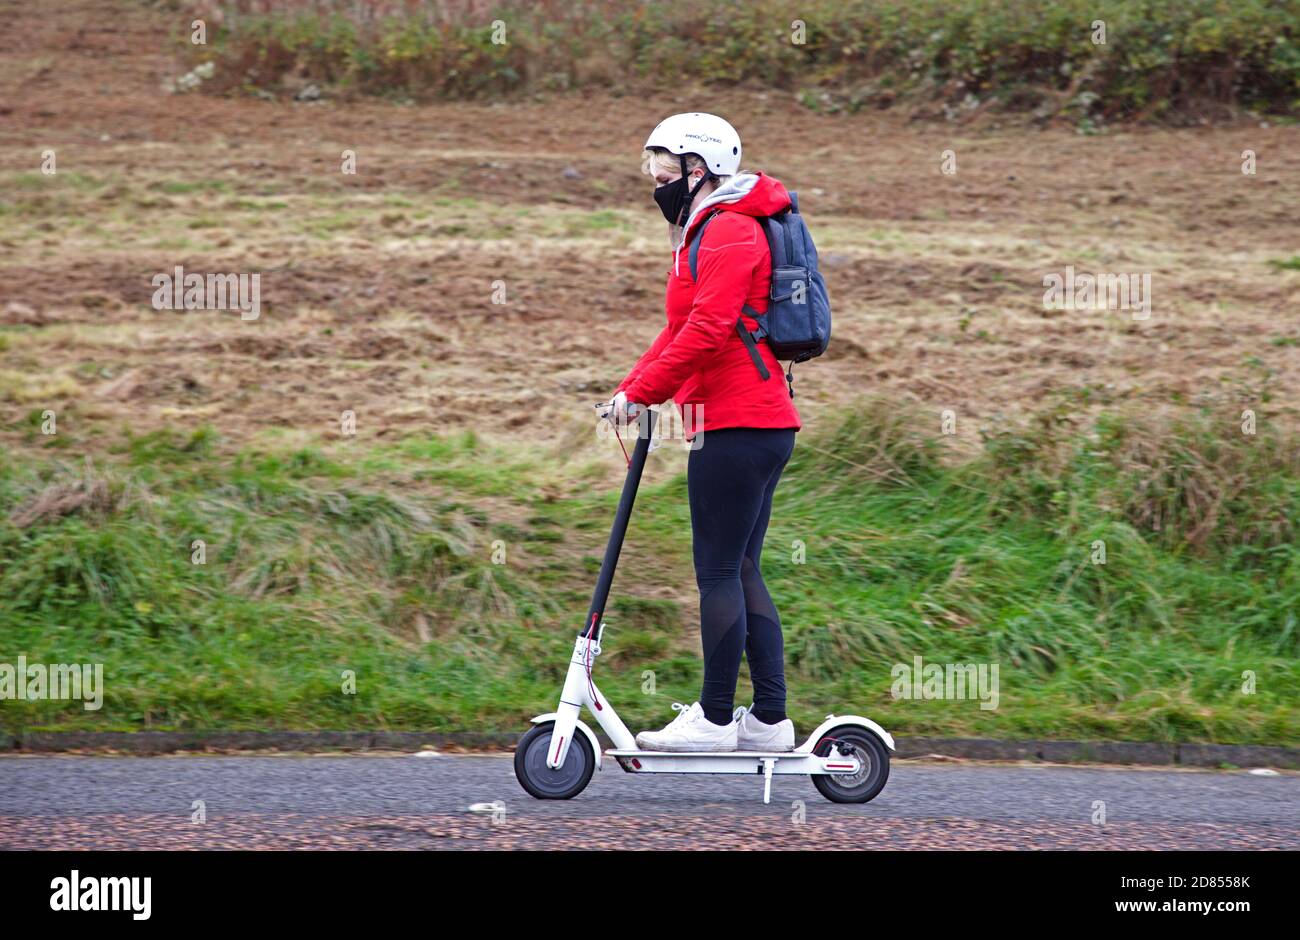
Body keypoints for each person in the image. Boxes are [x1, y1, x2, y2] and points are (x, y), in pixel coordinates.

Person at [606, 112, 802, 752]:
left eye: (664, 166)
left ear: (699, 169)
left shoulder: (726, 232)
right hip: (749, 421)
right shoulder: (707, 229)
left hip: (737, 422)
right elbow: (677, 332)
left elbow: (709, 330)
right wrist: (632, 389)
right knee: (742, 567)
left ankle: (716, 721)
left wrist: (644, 394)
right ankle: (768, 722)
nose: (655, 178)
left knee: (718, 570)